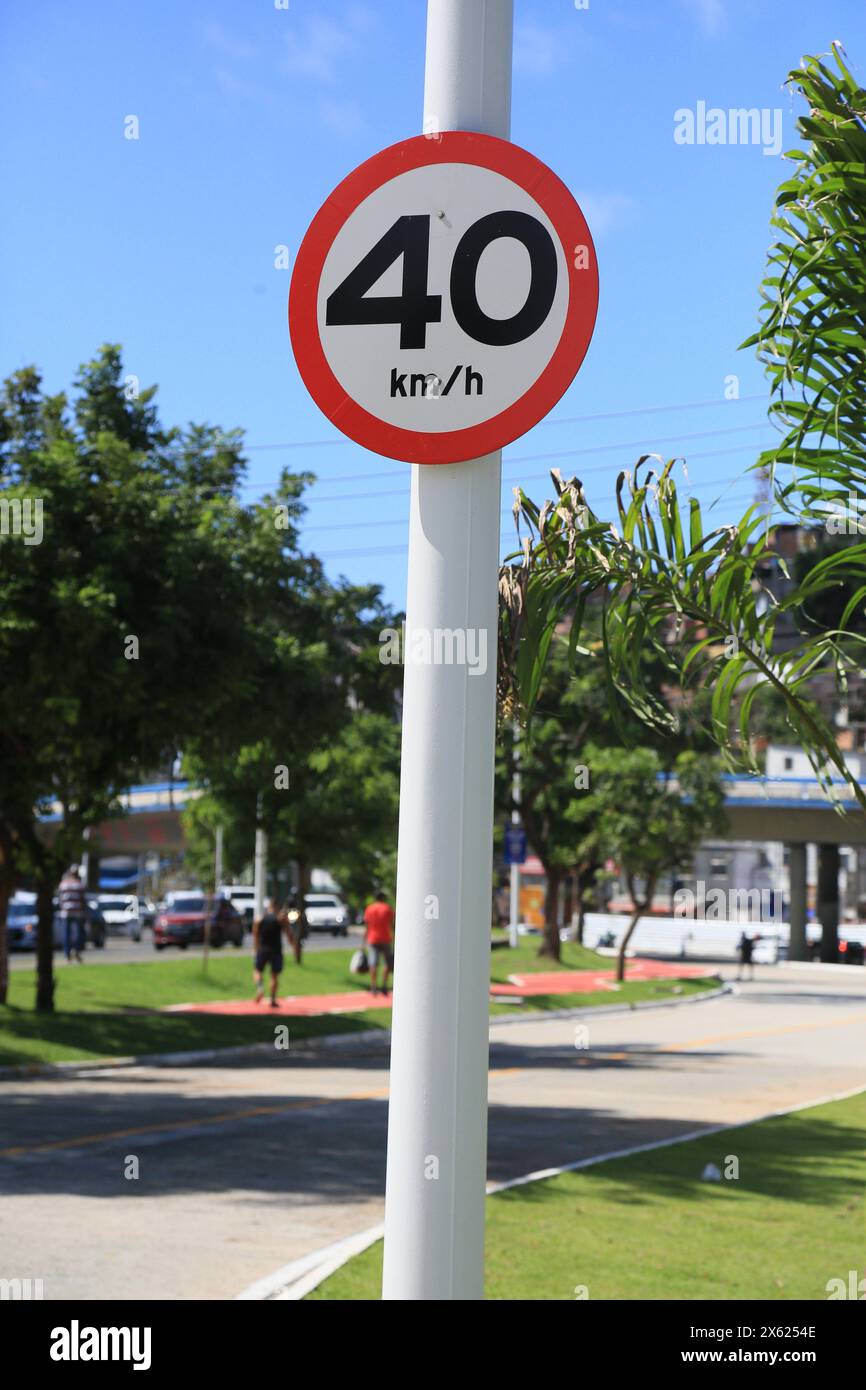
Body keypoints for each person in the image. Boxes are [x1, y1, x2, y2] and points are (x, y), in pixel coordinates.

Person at [252, 898, 292, 1008]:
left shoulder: (260, 918)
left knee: (257, 971)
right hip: (276, 950)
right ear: (277, 907)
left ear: (269, 906)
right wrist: (292, 943)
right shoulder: (281, 919)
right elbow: (288, 933)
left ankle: (260, 987)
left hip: (263, 949)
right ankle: (273, 999)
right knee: (274, 976)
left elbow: (255, 935)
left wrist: (255, 949)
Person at [363, 890, 394, 996]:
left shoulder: (370, 908)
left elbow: (367, 926)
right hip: (386, 938)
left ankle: (374, 986)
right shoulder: (387, 908)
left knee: (373, 963)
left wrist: (363, 941)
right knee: (387, 963)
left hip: (372, 938)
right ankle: (384, 986)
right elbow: (392, 924)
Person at [58, 865, 88, 963]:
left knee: (66, 934)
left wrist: (62, 908)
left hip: (65, 912)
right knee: (79, 933)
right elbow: (83, 900)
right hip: (78, 912)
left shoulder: (63, 884)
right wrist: (85, 911)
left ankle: (67, 955)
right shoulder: (79, 884)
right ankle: (76, 950)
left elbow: (60, 899)